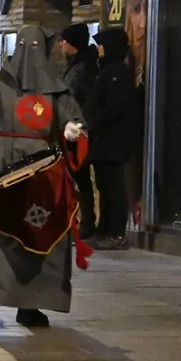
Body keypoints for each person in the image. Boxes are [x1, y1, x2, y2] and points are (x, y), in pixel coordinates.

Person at [0, 26, 89, 329]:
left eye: (36, 46)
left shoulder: (57, 89)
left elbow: (74, 121)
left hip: (44, 178)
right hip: (4, 172)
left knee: (40, 237)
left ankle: (30, 305)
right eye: (26, 45)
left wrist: (71, 132)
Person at [83, 27, 139, 249]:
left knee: (114, 188)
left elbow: (113, 108)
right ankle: (104, 229)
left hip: (112, 141)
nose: (99, 49)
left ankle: (117, 233)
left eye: (102, 45)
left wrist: (94, 126)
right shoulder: (106, 71)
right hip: (103, 141)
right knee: (105, 187)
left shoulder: (117, 73)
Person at [60, 23, 99, 225]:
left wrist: (81, 126)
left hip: (77, 132)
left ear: (72, 44)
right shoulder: (74, 66)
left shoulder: (83, 69)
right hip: (69, 129)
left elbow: (88, 99)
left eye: (64, 41)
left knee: (80, 176)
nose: (61, 45)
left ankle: (86, 221)